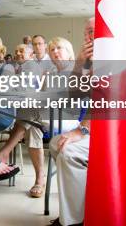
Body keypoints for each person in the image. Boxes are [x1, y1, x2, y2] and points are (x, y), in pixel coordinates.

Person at [48, 18, 94, 226]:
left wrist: (82, 130)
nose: (87, 38)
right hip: (94, 127)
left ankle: (74, 221)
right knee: (56, 143)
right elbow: (76, 94)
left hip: (120, 133)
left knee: (69, 152)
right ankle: (84, 211)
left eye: (91, 32)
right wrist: (79, 64)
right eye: (85, 33)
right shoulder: (92, 61)